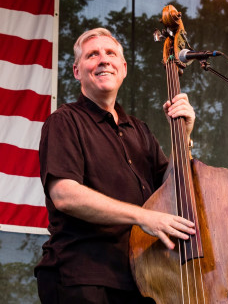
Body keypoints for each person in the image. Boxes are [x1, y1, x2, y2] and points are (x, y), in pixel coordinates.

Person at [35, 28, 196, 304]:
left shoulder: (139, 130)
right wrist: (143, 216)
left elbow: (171, 190)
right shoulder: (64, 121)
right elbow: (64, 194)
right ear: (76, 71)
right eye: (92, 55)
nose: (103, 60)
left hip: (141, 278)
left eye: (110, 54)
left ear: (123, 69)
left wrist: (185, 135)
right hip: (84, 276)